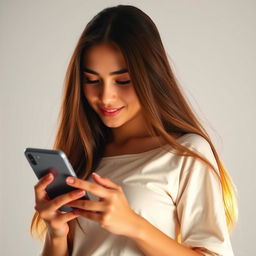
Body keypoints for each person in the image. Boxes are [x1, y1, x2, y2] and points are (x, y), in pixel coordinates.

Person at [31, 5, 238, 256]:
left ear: (150, 77)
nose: (106, 97)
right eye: (93, 81)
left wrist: (133, 224)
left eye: (123, 81)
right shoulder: (83, 157)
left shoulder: (186, 152)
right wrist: (56, 233)